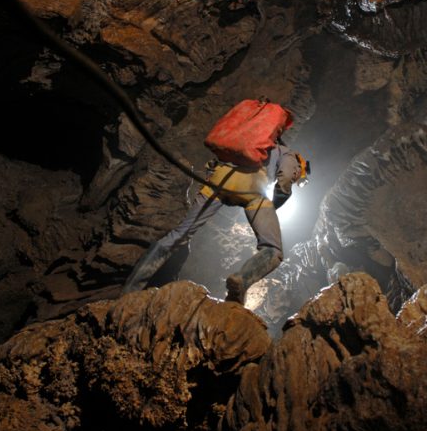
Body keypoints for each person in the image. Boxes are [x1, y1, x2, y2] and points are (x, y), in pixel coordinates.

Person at [121, 130, 310, 304]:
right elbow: (285, 178)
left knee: (180, 234)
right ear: (303, 165)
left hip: (220, 176)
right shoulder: (290, 155)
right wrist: (274, 205)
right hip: (252, 186)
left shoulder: (258, 141)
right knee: (273, 250)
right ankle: (241, 280)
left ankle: (129, 291)